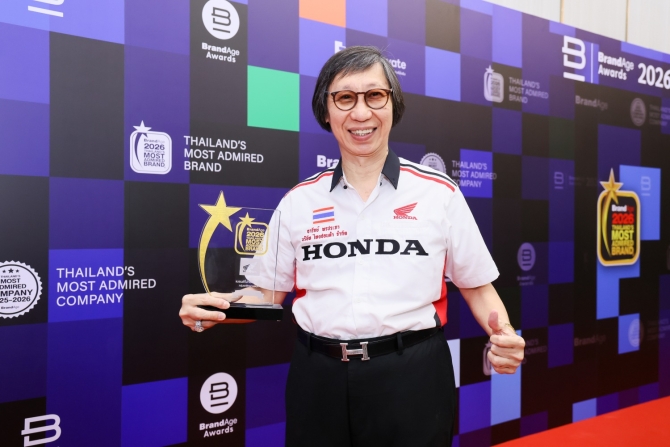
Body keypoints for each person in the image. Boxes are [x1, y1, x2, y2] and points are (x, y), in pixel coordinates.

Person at [180, 46, 525, 446]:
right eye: (345, 98)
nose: (361, 113)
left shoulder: (439, 194)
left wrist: (505, 334)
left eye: (375, 96)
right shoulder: (298, 202)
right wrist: (217, 309)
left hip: (413, 376)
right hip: (318, 378)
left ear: (393, 105)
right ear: (326, 111)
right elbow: (267, 295)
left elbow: (477, 286)